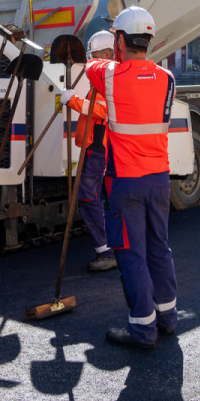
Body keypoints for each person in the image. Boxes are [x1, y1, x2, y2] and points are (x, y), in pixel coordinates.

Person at [61, 6, 176, 350]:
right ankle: (167, 318)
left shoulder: (110, 76)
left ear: (121, 41)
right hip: (159, 180)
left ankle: (143, 330)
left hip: (126, 183)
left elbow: (94, 64)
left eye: (116, 40)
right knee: (159, 249)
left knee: (131, 255)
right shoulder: (167, 79)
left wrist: (106, 48)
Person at [68, 30, 115, 271]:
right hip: (93, 147)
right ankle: (111, 246)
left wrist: (73, 101)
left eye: (94, 56)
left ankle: (106, 250)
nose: (90, 61)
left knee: (88, 196)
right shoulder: (101, 78)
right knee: (96, 197)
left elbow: (102, 111)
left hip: (98, 148)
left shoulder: (110, 78)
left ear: (108, 54)